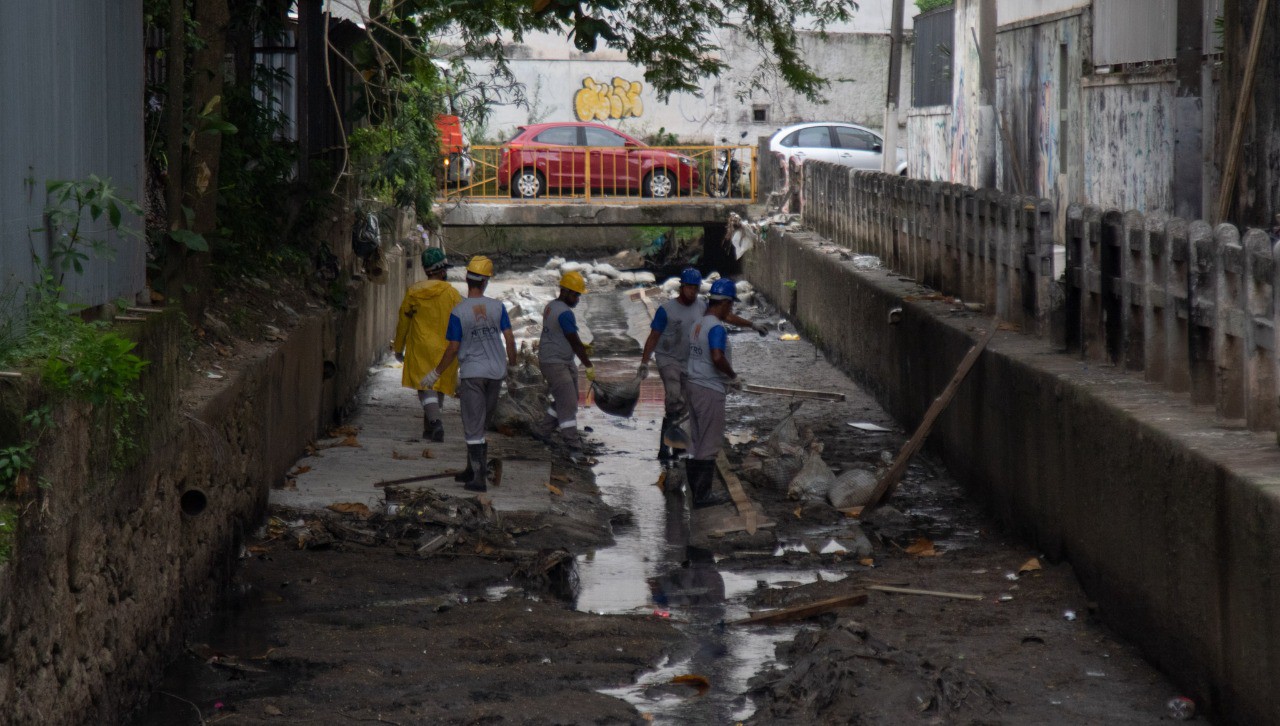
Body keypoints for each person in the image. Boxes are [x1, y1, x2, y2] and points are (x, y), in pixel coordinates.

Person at [639, 268, 768, 462]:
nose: (692, 291)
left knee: (685, 407)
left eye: (695, 288)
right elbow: (653, 336)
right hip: (668, 359)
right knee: (674, 399)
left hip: (689, 361)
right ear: (682, 287)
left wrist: (751, 325)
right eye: (689, 287)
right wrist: (644, 362)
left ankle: (678, 446)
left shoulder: (702, 307)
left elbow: (726, 315)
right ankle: (665, 448)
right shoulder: (666, 310)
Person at [421, 255, 517, 492]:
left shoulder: (459, 311)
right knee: (480, 423)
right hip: (496, 373)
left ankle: (478, 479)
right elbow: (509, 338)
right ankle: (471, 469)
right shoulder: (498, 307)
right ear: (485, 282)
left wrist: (435, 373)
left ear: (467, 279)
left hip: (473, 374)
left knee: (473, 424)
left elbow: (453, 348)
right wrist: (512, 366)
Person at [684, 278, 746, 508]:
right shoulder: (716, 328)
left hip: (693, 385)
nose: (731, 310)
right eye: (731, 305)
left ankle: (695, 493)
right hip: (709, 388)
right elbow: (717, 357)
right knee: (709, 442)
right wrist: (733, 377)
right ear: (725, 303)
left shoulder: (698, 324)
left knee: (697, 440)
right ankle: (703, 496)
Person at [391, 247, 462, 441]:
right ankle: (431, 426)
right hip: (446, 348)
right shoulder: (452, 294)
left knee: (425, 387)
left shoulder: (414, 292)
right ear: (441, 271)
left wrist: (398, 348)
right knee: (436, 385)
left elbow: (403, 321)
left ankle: (434, 424)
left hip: (420, 347)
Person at [535, 271, 593, 461]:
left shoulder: (551, 306)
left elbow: (559, 335)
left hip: (558, 359)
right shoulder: (565, 314)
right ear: (565, 291)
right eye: (575, 294)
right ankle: (573, 446)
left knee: (567, 397)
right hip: (555, 362)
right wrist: (587, 363)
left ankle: (543, 431)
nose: (577, 299)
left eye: (579, 295)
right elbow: (574, 341)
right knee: (568, 402)